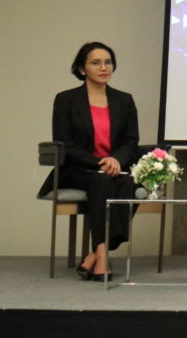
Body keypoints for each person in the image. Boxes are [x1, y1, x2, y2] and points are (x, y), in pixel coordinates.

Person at [39, 42, 140, 282]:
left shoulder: (124, 100)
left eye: (108, 62)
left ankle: (95, 254)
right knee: (101, 181)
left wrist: (115, 160)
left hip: (114, 168)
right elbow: (64, 142)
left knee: (132, 185)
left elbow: (131, 140)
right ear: (82, 69)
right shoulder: (66, 99)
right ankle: (103, 257)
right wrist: (99, 162)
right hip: (77, 168)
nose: (104, 68)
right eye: (96, 63)